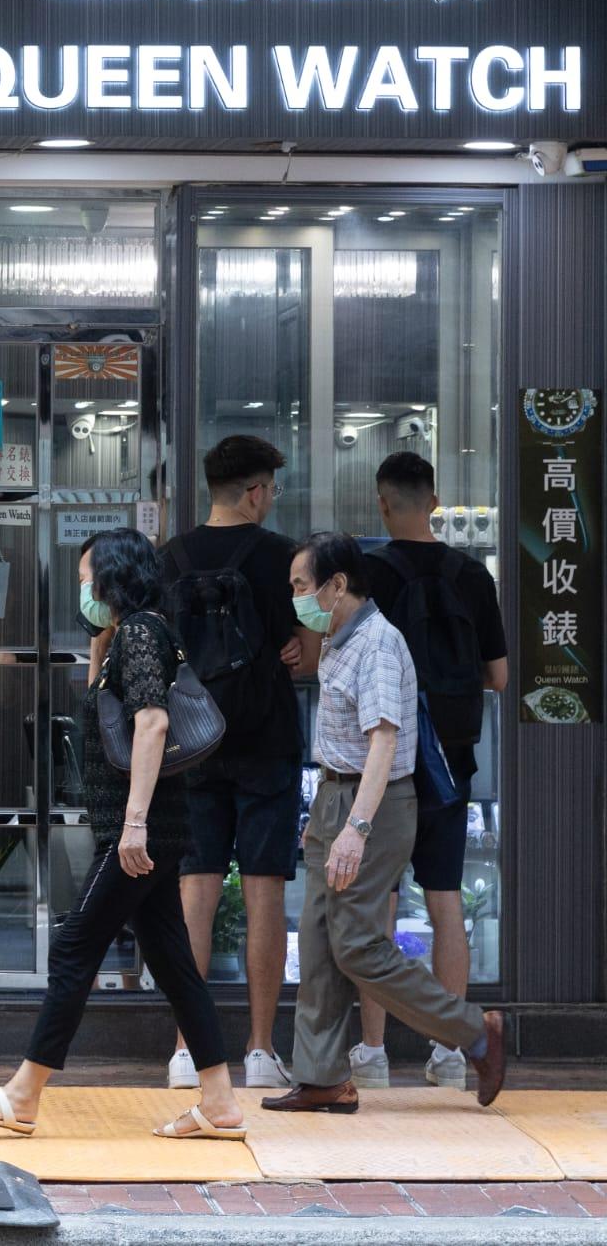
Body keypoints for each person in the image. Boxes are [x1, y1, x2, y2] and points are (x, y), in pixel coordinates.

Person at [0, 530, 245, 1142]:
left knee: (73, 946)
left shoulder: (140, 633)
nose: (82, 590)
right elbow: (102, 714)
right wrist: (98, 640)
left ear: (114, 578)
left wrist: (134, 824)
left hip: (138, 833)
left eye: (88, 579)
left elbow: (152, 724)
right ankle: (219, 1102)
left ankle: (23, 1095)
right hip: (148, 830)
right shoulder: (129, 635)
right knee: (173, 963)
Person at [262, 533, 506, 1114]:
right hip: (336, 796)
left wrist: (355, 828)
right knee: (319, 941)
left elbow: (384, 742)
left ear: (336, 585)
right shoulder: (338, 639)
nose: (295, 598)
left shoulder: (376, 643)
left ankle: (474, 1032)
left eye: (301, 585)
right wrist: (325, 816)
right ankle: (321, 1076)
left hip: (372, 805)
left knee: (356, 946)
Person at [160, 436, 316, 1090]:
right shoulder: (283, 558)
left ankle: (186, 1053)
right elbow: (308, 654)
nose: (271, 498)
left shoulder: (171, 557)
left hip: (192, 745)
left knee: (193, 897)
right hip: (265, 743)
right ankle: (258, 1050)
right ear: (254, 492)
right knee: (264, 895)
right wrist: (293, 650)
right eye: (270, 488)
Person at [349, 453, 508, 1090]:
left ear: (382, 503)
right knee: (445, 900)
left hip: (385, 764)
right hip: (450, 762)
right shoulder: (472, 575)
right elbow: (499, 676)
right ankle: (451, 1054)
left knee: (377, 907)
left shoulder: (369, 574)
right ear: (434, 502)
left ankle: (373, 1053)